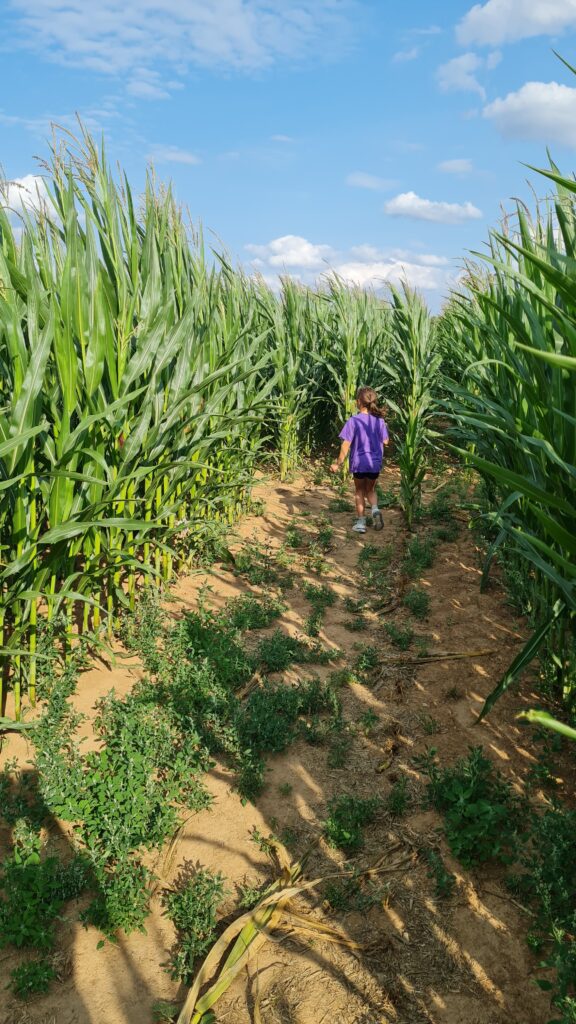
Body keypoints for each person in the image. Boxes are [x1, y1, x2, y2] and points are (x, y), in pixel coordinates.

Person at [330, 386, 389, 533]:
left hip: (359, 462)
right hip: (374, 463)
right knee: (371, 489)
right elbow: (386, 441)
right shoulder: (379, 421)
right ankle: (375, 510)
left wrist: (338, 463)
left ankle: (361, 523)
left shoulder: (354, 421)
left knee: (359, 491)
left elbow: (345, 445)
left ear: (358, 402)